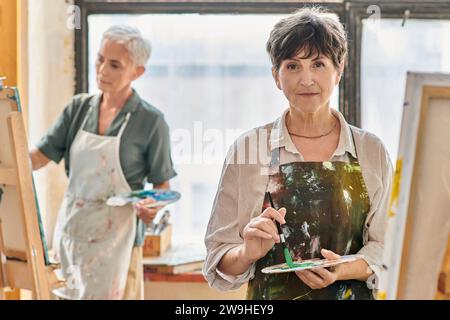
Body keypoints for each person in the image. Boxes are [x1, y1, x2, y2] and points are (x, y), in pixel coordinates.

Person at [203, 7, 393, 300]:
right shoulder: (249, 149)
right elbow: (219, 258)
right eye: (292, 66)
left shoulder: (371, 151)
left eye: (318, 64)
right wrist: (247, 251)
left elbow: (389, 247)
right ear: (276, 76)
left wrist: (341, 269)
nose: (306, 80)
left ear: (339, 70)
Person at [30, 25, 177, 300]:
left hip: (118, 246)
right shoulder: (78, 109)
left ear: (137, 72)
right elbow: (38, 157)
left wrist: (151, 207)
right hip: (73, 236)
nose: (102, 70)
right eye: (99, 59)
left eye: (114, 65)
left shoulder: (151, 122)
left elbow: (162, 185)